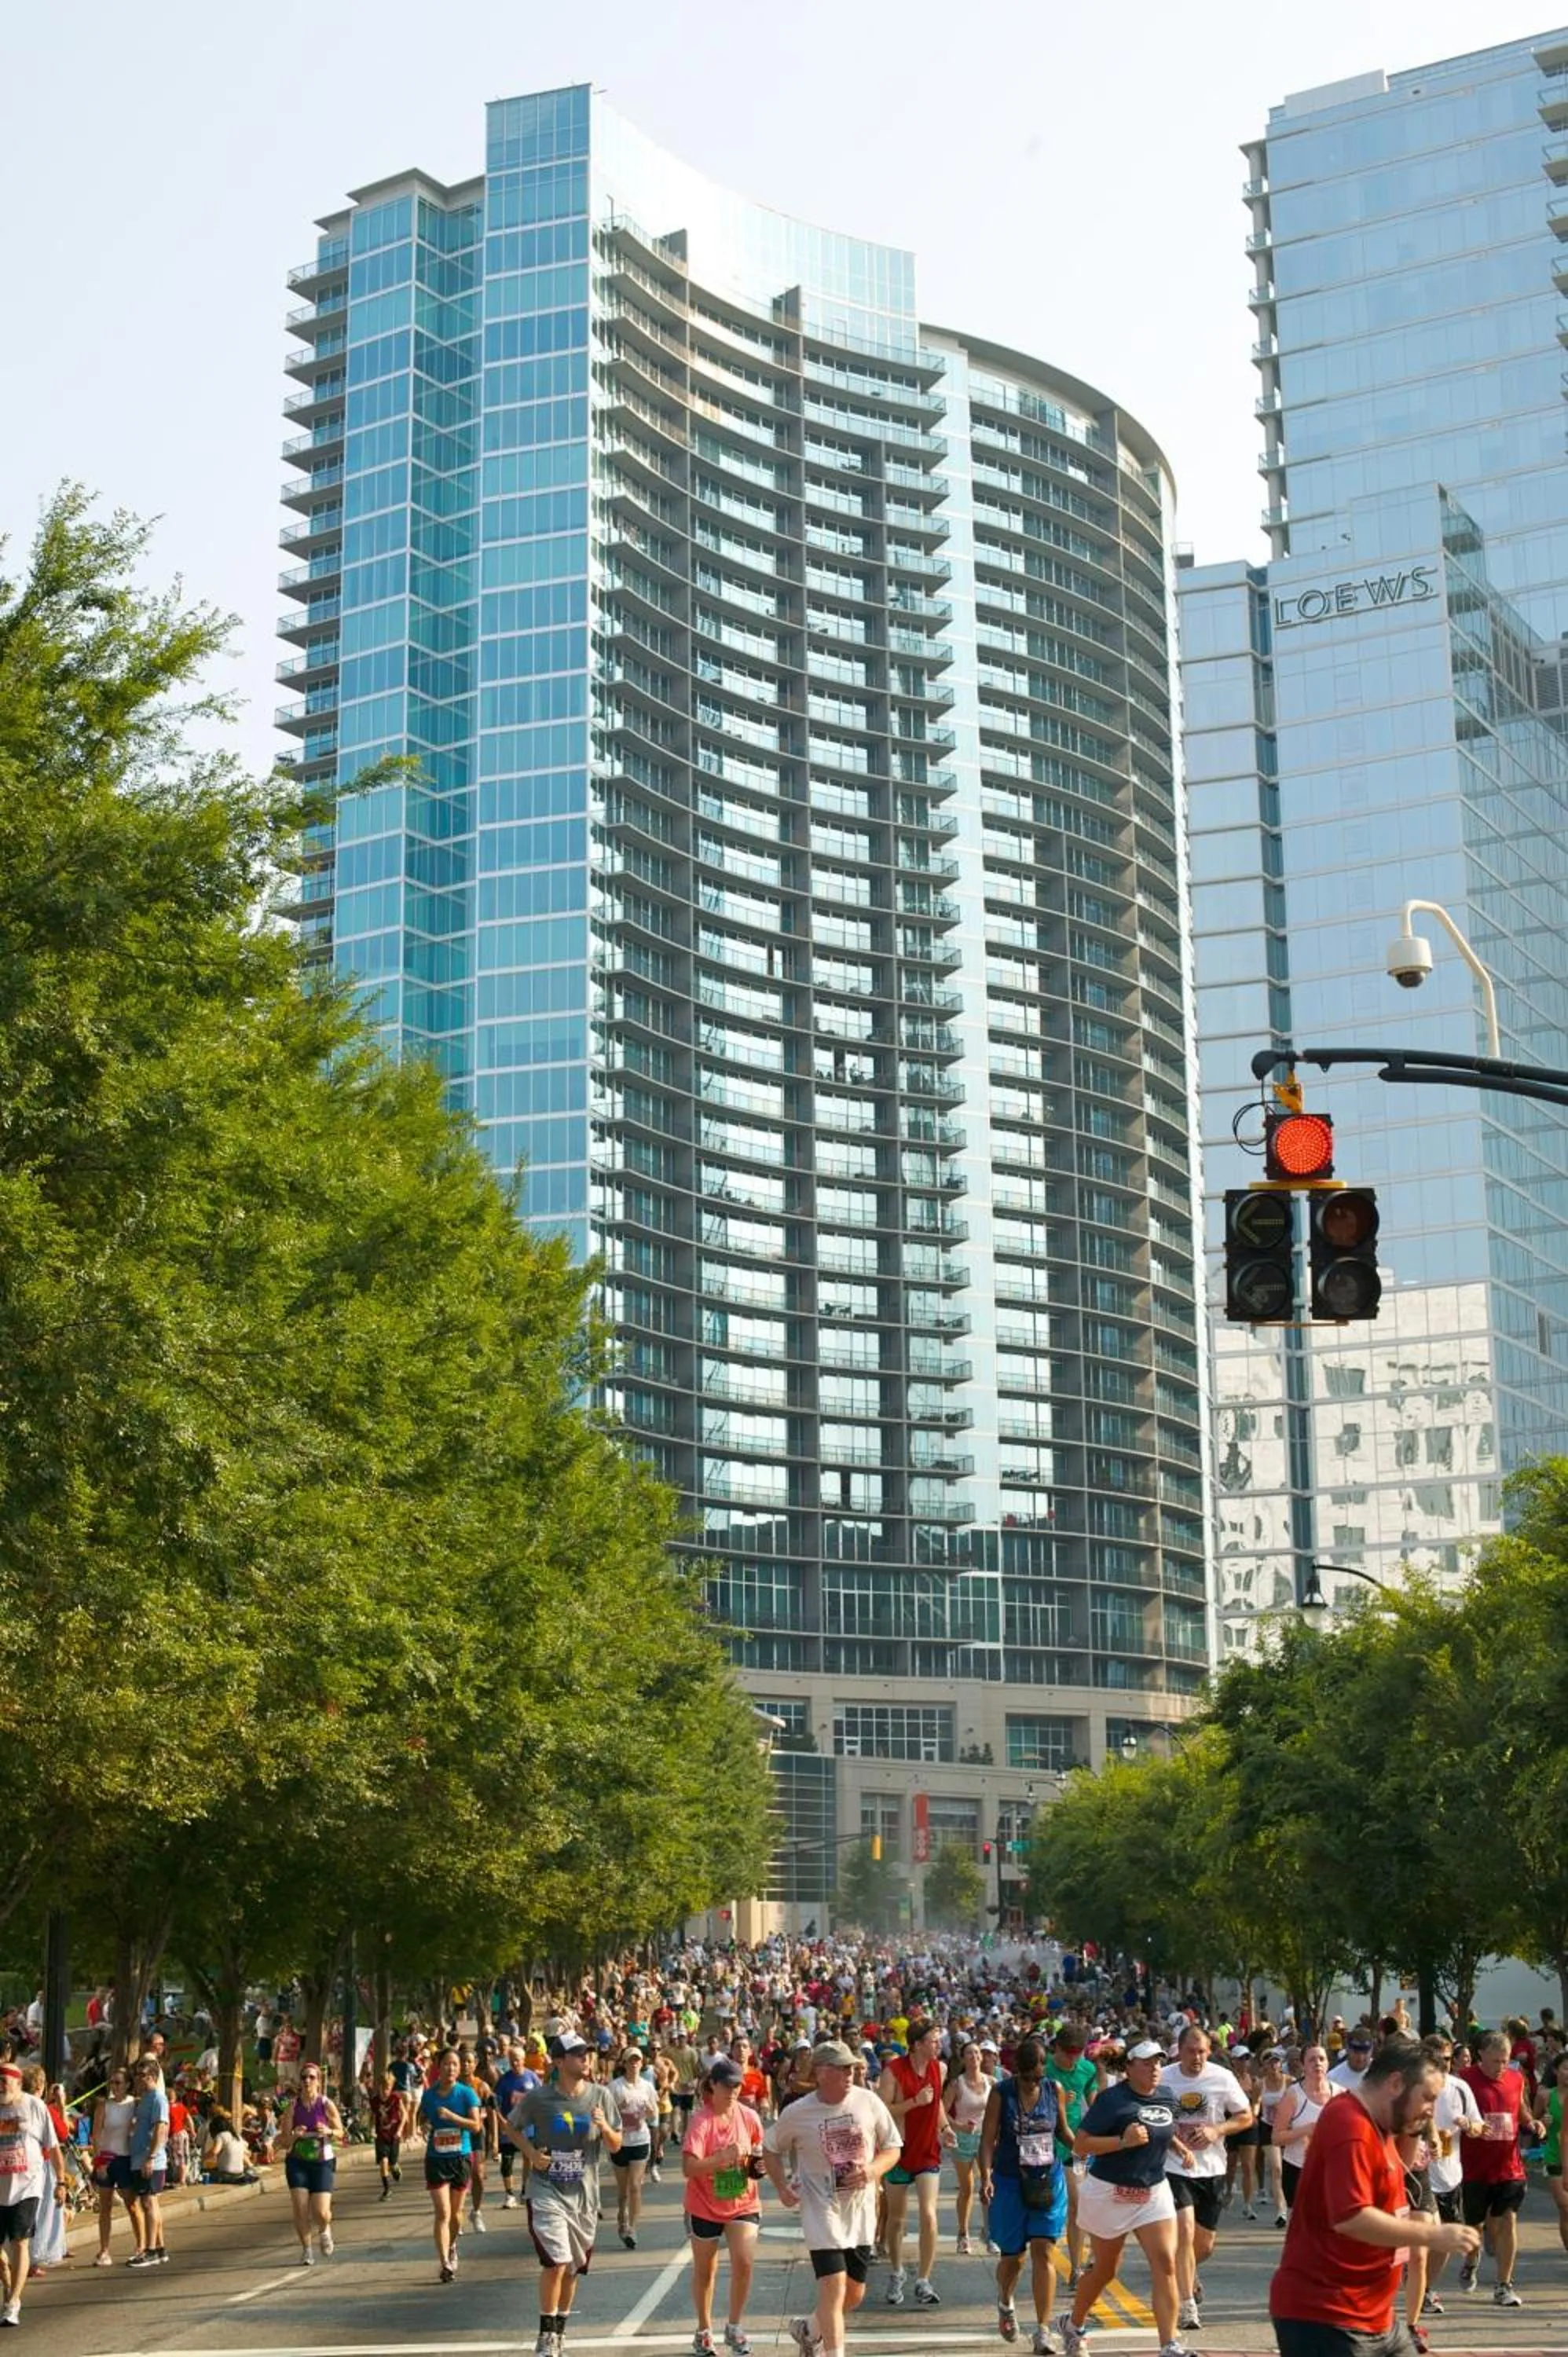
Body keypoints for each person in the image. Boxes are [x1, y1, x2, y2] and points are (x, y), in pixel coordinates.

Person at [1269, 2036, 1480, 2357]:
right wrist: (1433, 2235)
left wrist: (1415, 2124)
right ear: (1395, 2084)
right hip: (1325, 2318)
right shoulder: (1349, 2125)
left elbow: (1399, 2168)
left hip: (1374, 2315)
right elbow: (1352, 2218)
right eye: (1427, 2098)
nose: (1432, 2109)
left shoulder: (1379, 2122)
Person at [762, 2036, 901, 2357]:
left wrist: (871, 2170)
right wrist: (781, 2186)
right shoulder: (798, 2112)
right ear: (821, 2072)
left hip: (860, 2209)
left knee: (853, 2294)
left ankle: (809, 2330)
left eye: (852, 2067)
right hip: (820, 2207)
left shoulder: (868, 2102)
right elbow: (769, 2148)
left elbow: (893, 2147)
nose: (850, 2074)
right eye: (842, 2068)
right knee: (834, 2287)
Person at [1061, 2036, 1196, 2357]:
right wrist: (1122, 2141)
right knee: (1106, 2270)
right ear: (1129, 2067)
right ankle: (1073, 2324)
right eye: (1147, 2063)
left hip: (1152, 2191)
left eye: (1159, 2062)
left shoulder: (1166, 2096)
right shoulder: (1112, 2100)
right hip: (1112, 2192)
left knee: (1165, 2264)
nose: (1155, 2068)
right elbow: (1081, 2145)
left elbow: (1164, 2129)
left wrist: (1179, 2147)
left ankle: (1169, 2345)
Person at [512, 2031, 624, 2357]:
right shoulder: (539, 2098)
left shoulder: (601, 2096)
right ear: (559, 2062)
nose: (585, 2059)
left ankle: (559, 2330)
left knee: (573, 2267)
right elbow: (511, 2127)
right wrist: (532, 2154)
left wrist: (605, 2127)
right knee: (557, 2261)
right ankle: (546, 2335)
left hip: (584, 2196)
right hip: (546, 2190)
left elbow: (617, 2145)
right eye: (577, 2054)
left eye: (586, 2053)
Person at [1160, 2024, 1254, 2336]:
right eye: (1191, 2051)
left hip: (1212, 2167)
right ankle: (1187, 2306)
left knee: (1205, 2245)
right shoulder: (1165, 2078)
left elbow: (1245, 2116)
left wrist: (1216, 2130)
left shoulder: (1222, 2078)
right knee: (1184, 2230)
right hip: (1175, 2166)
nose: (1197, 2058)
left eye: (1202, 2052)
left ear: (1209, 2051)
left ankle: (1187, 2273)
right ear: (1179, 2051)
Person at [978, 2033, 1068, 2354]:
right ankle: (1005, 2301)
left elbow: (1063, 2131)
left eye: (1038, 2077)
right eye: (1027, 2078)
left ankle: (1043, 2330)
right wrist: (985, 2176)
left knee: (1044, 2250)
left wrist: (1086, 2151)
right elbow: (988, 2139)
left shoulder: (1054, 2089)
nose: (1033, 2083)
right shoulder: (1001, 2093)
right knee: (1013, 2259)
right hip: (1010, 2181)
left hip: (1047, 2179)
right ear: (1018, 2071)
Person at [1456, 2024, 1543, 2305]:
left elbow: (1521, 2108)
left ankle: (1504, 2285)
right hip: (1475, 2168)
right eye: (1495, 2061)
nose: (1501, 2067)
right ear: (1481, 2054)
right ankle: (1472, 2259)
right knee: (1475, 2228)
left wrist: (1532, 2123)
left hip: (1510, 2166)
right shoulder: (1464, 2079)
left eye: (1505, 2061)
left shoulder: (1516, 2078)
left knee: (1508, 2220)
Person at [683, 2056, 764, 2357]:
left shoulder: (749, 2117)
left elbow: (757, 2156)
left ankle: (734, 2326)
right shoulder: (702, 2121)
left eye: (737, 2086)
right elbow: (689, 2168)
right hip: (705, 2205)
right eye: (727, 2086)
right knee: (706, 2271)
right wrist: (721, 2159)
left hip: (743, 2201)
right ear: (713, 2086)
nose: (733, 2091)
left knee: (744, 2262)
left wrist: (757, 2167)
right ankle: (704, 2331)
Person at [878, 2018, 951, 2308]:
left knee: (929, 2214)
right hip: (898, 2150)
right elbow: (883, 2111)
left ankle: (924, 2279)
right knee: (896, 2219)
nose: (939, 2045)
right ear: (918, 2044)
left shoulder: (940, 2069)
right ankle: (897, 2272)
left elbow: (938, 2103)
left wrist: (946, 2128)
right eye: (934, 2040)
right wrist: (914, 2102)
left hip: (927, 2150)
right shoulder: (893, 2071)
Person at [0, 2058, 64, 2326]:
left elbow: (54, 2146)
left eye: (4, 2081)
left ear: (17, 2083)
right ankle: (9, 2285)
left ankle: (13, 2302)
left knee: (20, 2242)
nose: (0, 2087)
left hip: (27, 2186)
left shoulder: (34, 2106)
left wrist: (61, 2182)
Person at [419, 2046, 485, 2285]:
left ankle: (452, 2244)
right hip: (436, 2158)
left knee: (456, 2215)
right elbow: (423, 2118)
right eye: (446, 2064)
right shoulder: (429, 2095)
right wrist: (424, 2126)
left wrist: (452, 2118)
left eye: (455, 2064)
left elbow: (476, 2126)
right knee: (443, 2212)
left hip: (460, 2157)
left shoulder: (467, 2094)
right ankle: (445, 2262)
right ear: (439, 2067)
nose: (451, 2068)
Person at [1046, 2025, 1101, 2286]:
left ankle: (1076, 2268)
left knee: (1078, 2203)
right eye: (1069, 2054)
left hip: (1075, 2146)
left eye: (1078, 2054)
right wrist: (1058, 2102)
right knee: (1048, 2207)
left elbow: (1095, 2103)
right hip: (1045, 2146)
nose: (1073, 2060)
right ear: (1057, 2048)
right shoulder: (1043, 2068)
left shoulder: (1087, 2069)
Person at [280, 2062, 345, 2265]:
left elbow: (341, 2133)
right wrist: (295, 2135)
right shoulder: (293, 2106)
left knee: (321, 2212)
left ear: (319, 2081)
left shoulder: (326, 2104)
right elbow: (284, 2141)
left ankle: (325, 2229)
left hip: (322, 2162)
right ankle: (307, 2249)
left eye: (312, 2077)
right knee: (300, 2208)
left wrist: (329, 2131)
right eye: (304, 2077)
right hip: (297, 2162)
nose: (307, 2081)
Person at [1272, 2046, 1336, 2215]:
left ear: (1328, 2063)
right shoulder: (1293, 2095)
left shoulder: (1340, 2094)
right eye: (1312, 2060)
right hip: (1298, 2168)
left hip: (1331, 2169)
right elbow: (1276, 2138)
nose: (1318, 2063)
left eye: (1322, 2059)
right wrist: (1306, 2130)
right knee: (1301, 2225)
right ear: (1303, 2065)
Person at [943, 2040, 992, 2253]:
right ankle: (963, 2235)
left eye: (977, 2053)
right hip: (963, 2140)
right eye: (969, 2053)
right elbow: (941, 2112)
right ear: (963, 2059)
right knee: (967, 2189)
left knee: (988, 2187)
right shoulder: (957, 2084)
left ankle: (989, 2233)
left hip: (985, 2139)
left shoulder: (992, 2082)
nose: (974, 2056)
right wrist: (958, 2127)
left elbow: (997, 2111)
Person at [609, 2047, 660, 2249]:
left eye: (637, 2060)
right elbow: (606, 2114)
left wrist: (649, 2111)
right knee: (623, 2191)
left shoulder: (647, 2087)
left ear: (642, 2063)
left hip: (640, 2139)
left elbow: (654, 2114)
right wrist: (619, 2110)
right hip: (620, 2142)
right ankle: (622, 2215)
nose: (634, 2063)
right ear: (624, 2063)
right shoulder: (615, 2087)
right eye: (631, 2060)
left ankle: (631, 2228)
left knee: (636, 2186)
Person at [90, 2064, 137, 2266]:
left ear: (127, 2085)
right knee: (105, 2207)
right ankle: (104, 2250)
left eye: (118, 2083)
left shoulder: (134, 2104)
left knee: (132, 2205)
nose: (115, 2087)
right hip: (107, 2159)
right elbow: (96, 2136)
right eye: (112, 2083)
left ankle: (141, 2245)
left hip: (125, 2159)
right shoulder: (104, 2106)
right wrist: (99, 2162)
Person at [125, 2055, 170, 2269]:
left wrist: (151, 2157)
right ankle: (159, 2248)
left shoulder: (158, 2098)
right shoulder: (144, 2099)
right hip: (139, 2157)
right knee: (150, 2202)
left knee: (148, 2202)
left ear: (152, 2076)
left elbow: (161, 2127)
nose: (138, 2079)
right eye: (136, 2075)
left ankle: (150, 2250)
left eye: (141, 2075)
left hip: (150, 2159)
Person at [494, 2042, 539, 2210]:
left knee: (529, 2158)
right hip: (510, 2127)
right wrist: (501, 2122)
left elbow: (541, 2098)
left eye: (518, 2059)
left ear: (524, 2060)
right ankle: (509, 2194)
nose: (515, 2063)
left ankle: (526, 2191)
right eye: (512, 2059)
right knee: (507, 2161)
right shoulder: (504, 2081)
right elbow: (496, 2105)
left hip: (528, 2126)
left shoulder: (532, 2077)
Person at [1540, 2047, 1568, 2255]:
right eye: (1566, 2068)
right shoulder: (1545, 2096)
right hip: (1554, 2157)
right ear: (1556, 2071)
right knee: (1565, 2208)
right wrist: (1542, 2121)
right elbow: (1531, 2124)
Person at [371, 2066, 408, 2199]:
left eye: (388, 2088)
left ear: (392, 2087)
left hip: (394, 2135)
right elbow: (373, 2116)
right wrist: (371, 2129)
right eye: (383, 2088)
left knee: (392, 2162)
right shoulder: (375, 2101)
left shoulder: (396, 2099)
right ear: (379, 2087)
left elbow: (404, 2115)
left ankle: (395, 2166)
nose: (386, 2091)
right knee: (383, 2161)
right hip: (381, 2135)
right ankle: (387, 2190)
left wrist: (400, 2130)